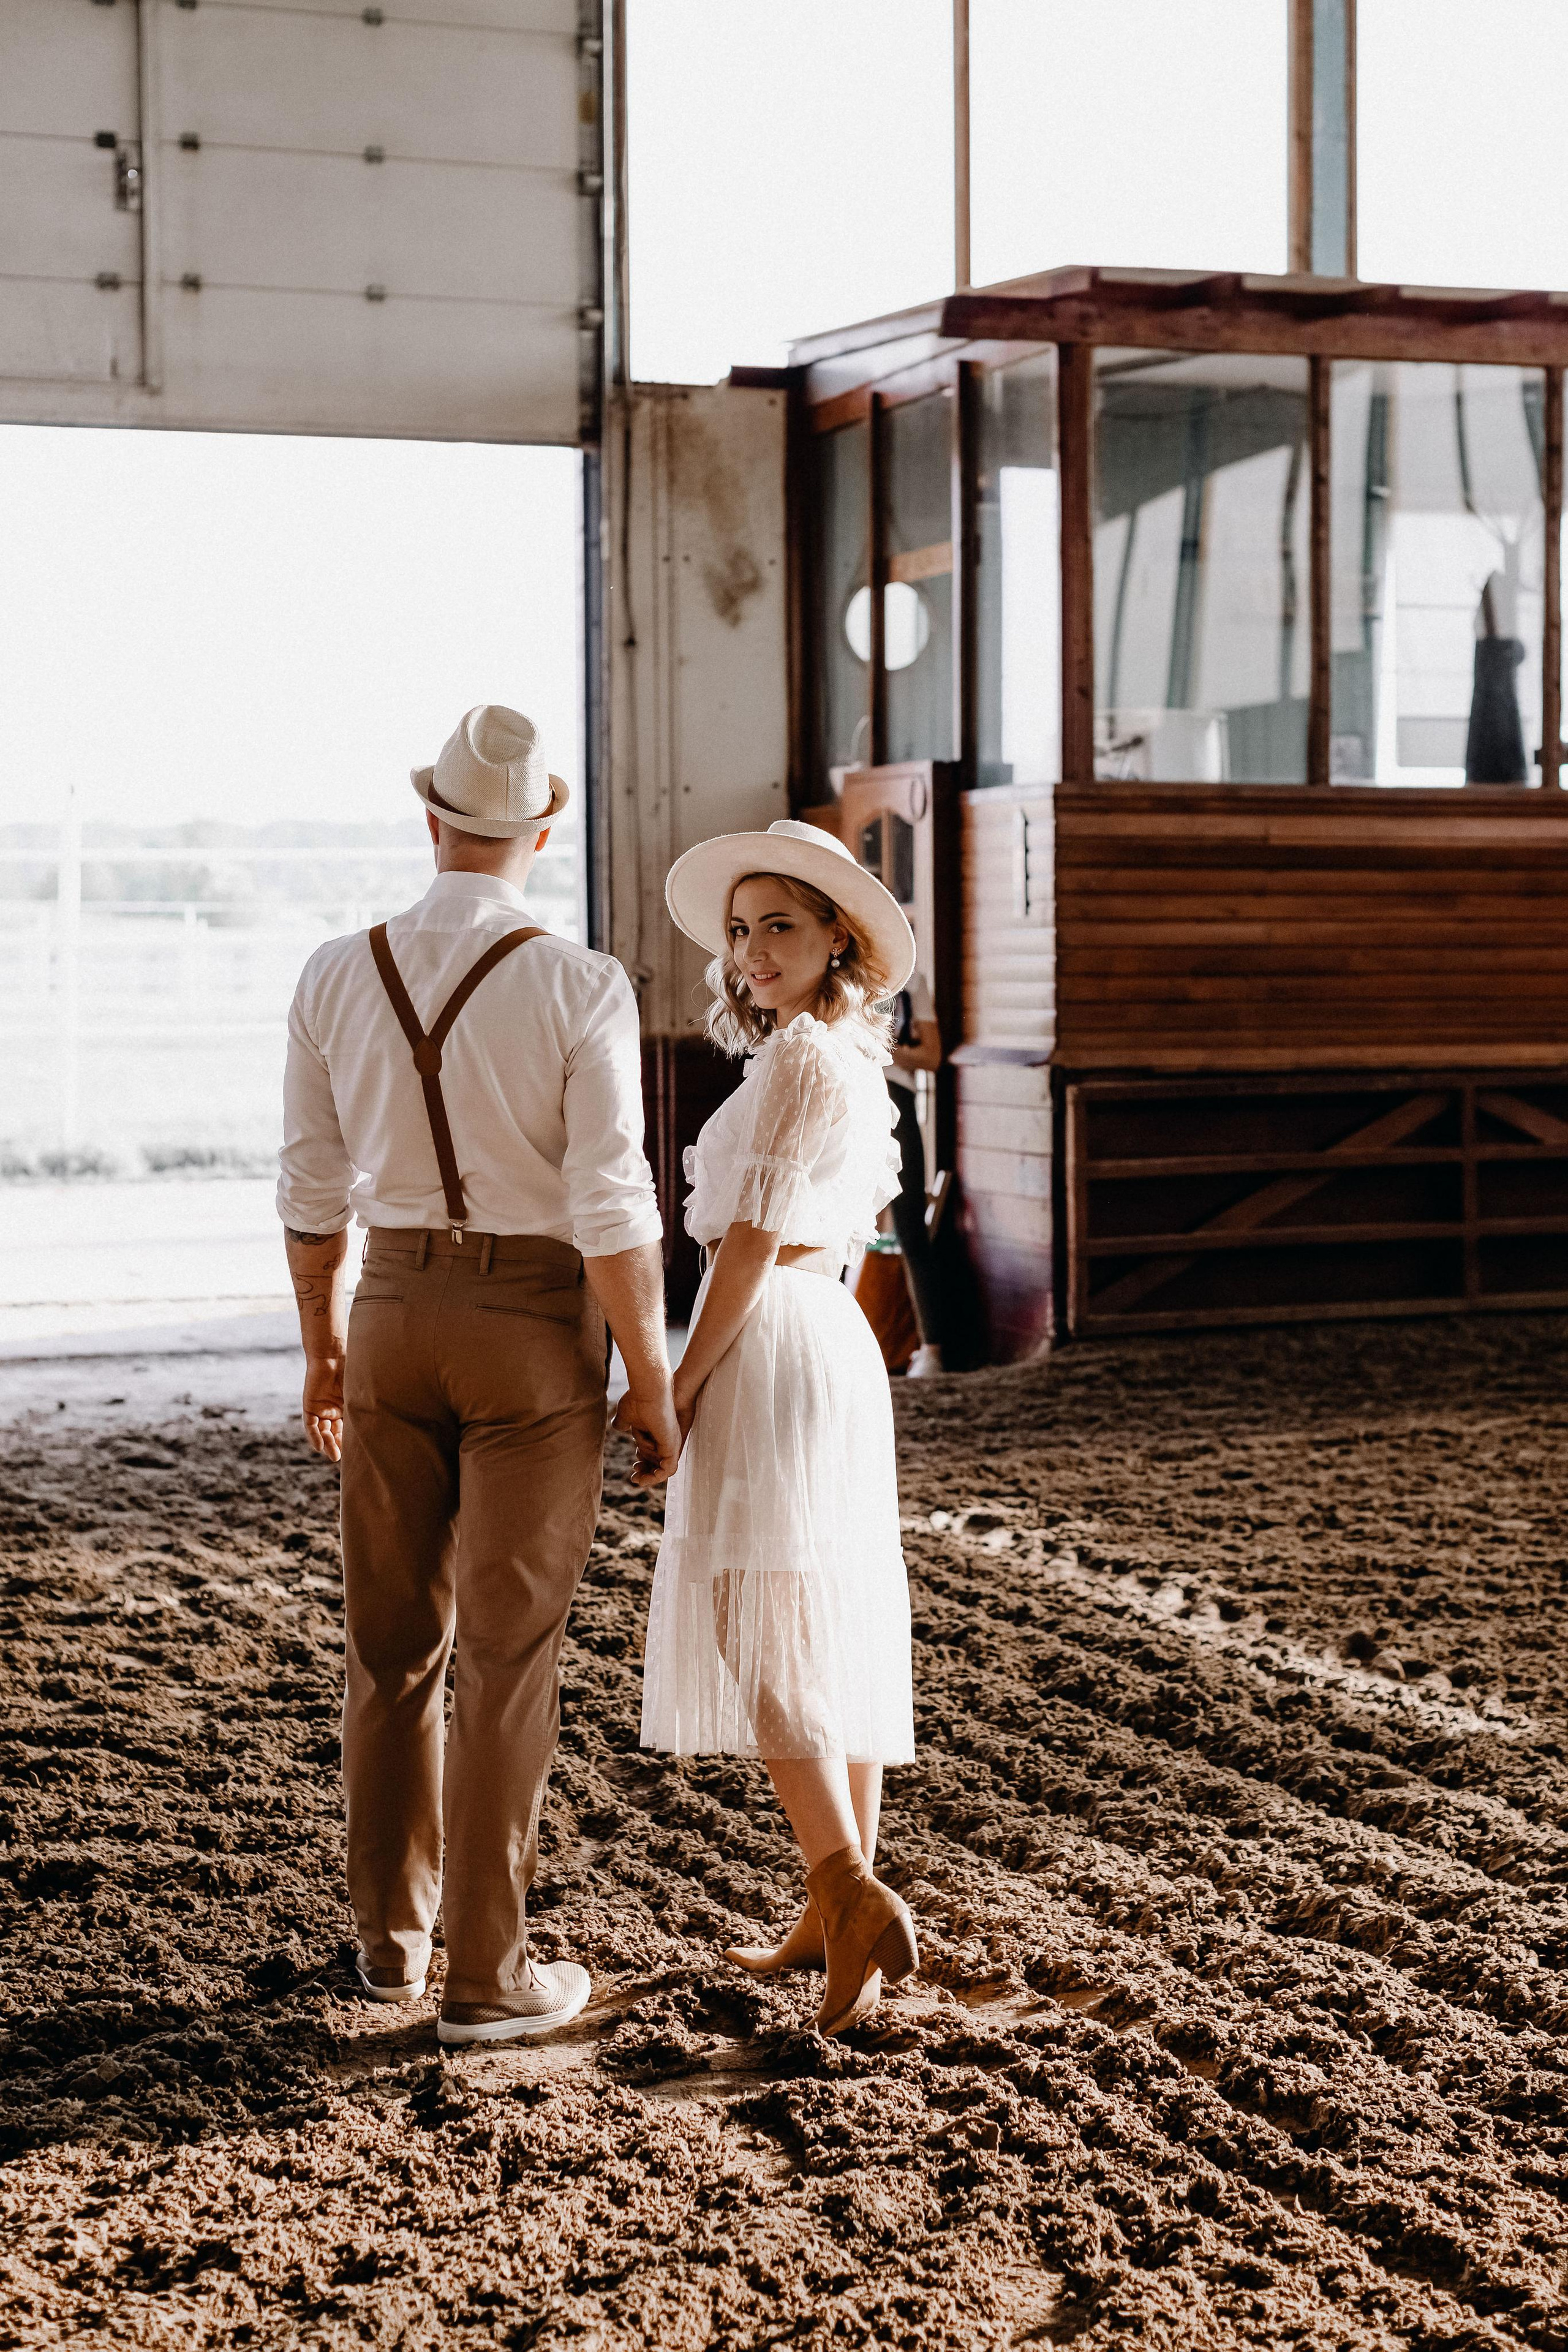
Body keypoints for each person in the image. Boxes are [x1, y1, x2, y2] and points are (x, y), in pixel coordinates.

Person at [277, 704, 679, 2048]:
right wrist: (650, 1378)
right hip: (530, 1322)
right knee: (508, 1658)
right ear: (541, 834)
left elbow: (309, 1187)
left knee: (388, 1653)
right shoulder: (580, 983)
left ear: (432, 821)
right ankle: (488, 1978)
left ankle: (387, 1952)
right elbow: (613, 1202)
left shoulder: (336, 971)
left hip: (389, 1308)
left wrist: (324, 1347)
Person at [626, 818, 920, 2039]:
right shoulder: (834, 1061)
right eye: (740, 932)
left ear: (836, 936)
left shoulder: (802, 1064)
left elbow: (744, 1242)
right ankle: (832, 1898)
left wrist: (676, 1382)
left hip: (771, 1330)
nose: (749, 951)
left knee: (758, 1624)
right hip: (825, 1335)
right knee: (819, 1614)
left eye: (777, 927)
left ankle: (846, 1889)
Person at [886, 978, 945, 1376]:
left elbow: (932, 1055)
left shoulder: (911, 980)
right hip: (842, 1093)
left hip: (897, 1097)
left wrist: (886, 1051)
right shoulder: (833, 968)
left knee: (910, 1223)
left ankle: (933, 1349)